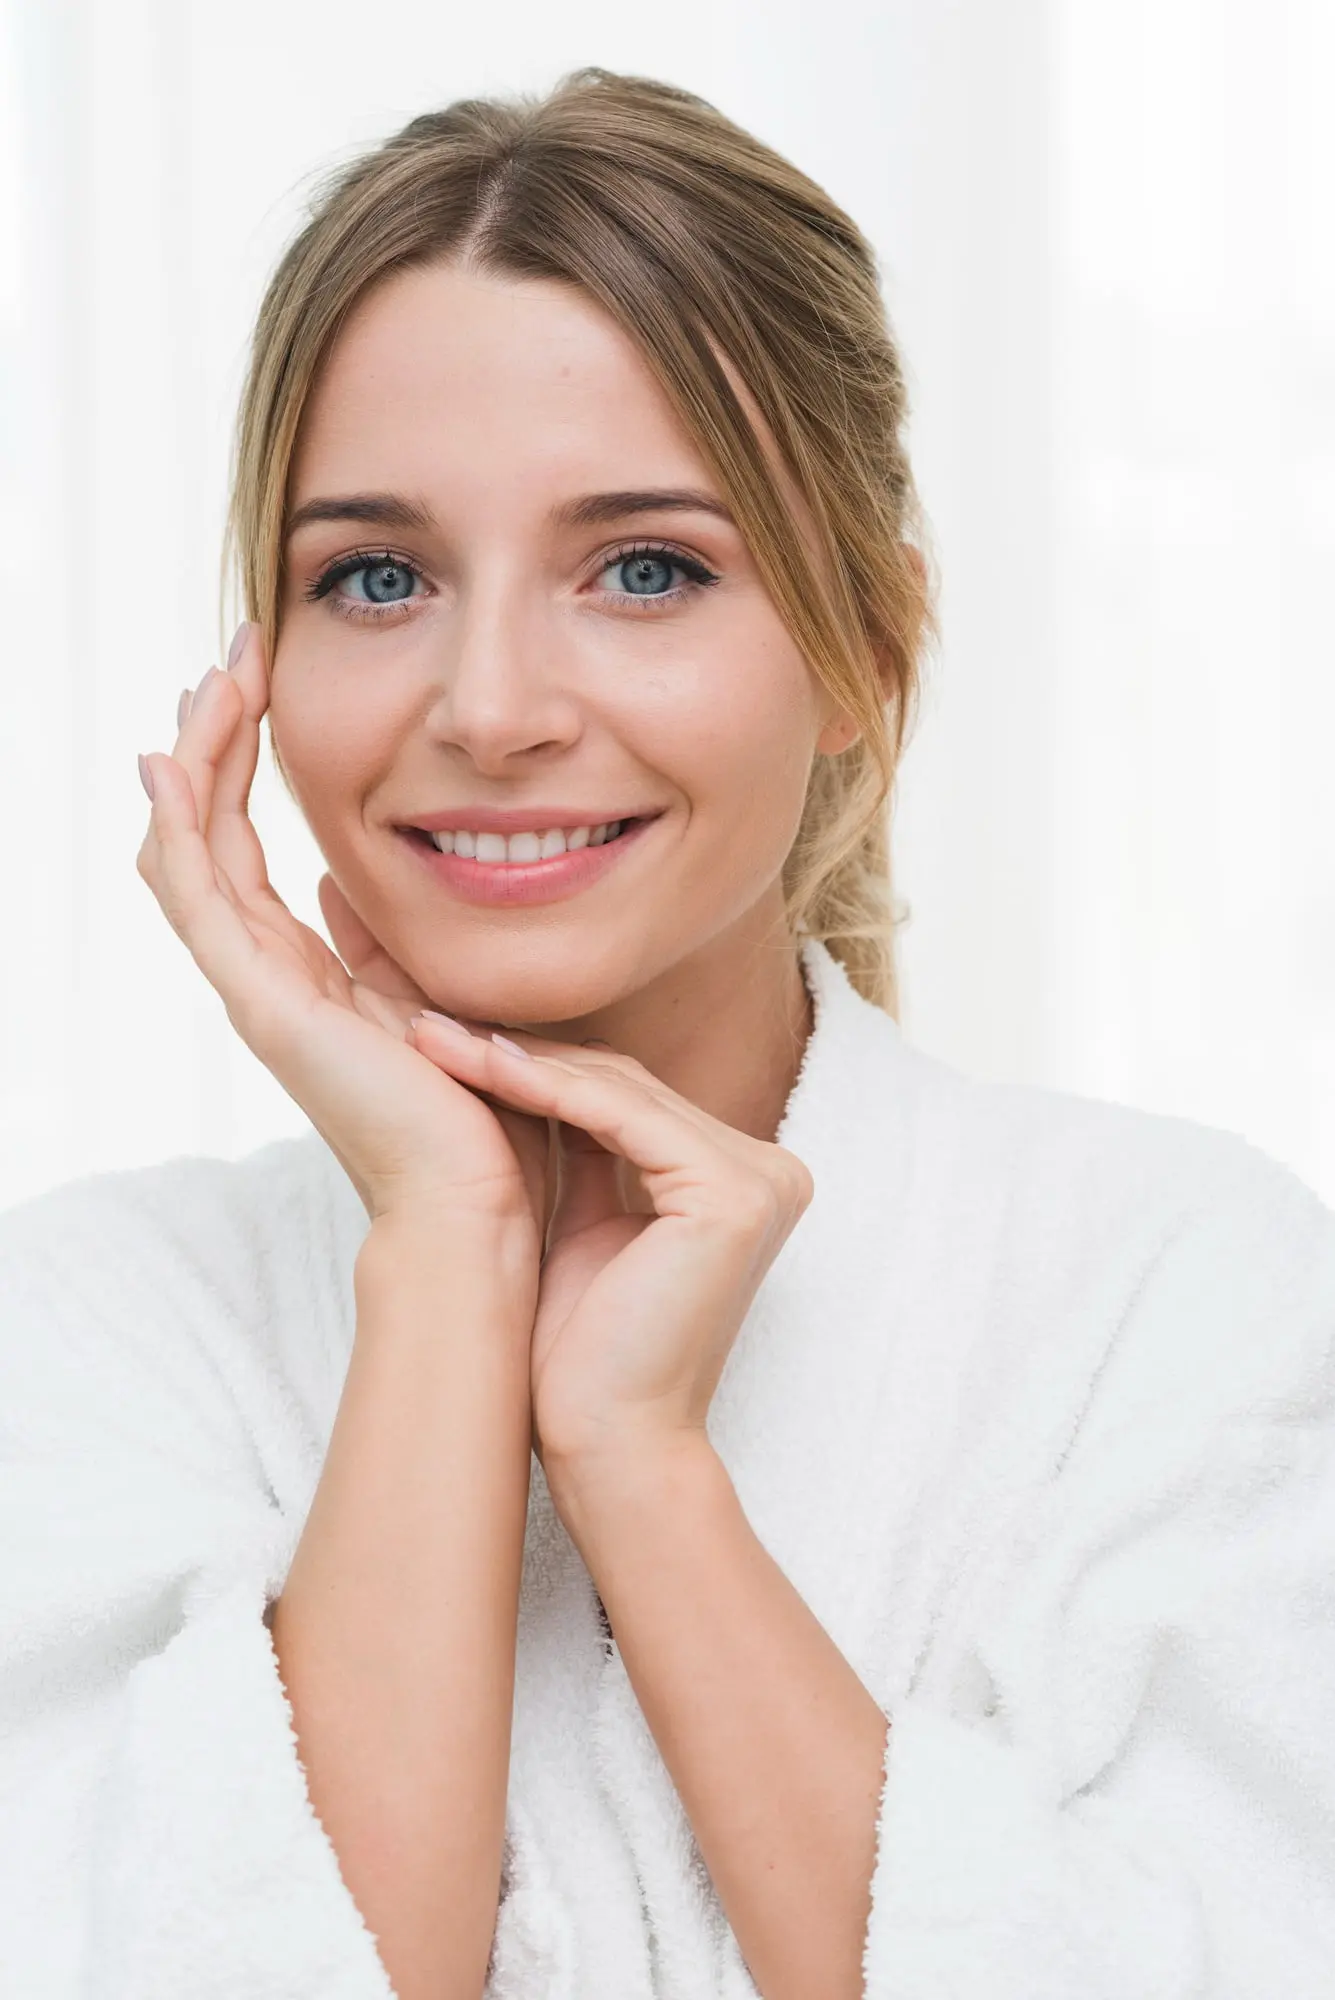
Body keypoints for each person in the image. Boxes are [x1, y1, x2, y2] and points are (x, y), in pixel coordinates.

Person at [1, 64, 1332, 2000]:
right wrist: (446, 1262)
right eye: (375, 575)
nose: (490, 702)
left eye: (646, 567)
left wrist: (638, 1452)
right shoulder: (94, 1325)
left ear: (866, 644)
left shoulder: (1179, 1288)